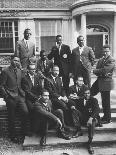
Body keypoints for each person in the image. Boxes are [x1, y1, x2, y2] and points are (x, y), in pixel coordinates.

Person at [0, 56, 29, 143]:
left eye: (18, 60)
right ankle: (13, 136)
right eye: (15, 60)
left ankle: (23, 133)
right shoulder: (5, 71)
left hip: (20, 96)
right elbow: (1, 85)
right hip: (10, 97)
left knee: (25, 112)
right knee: (11, 116)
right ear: (11, 60)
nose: (16, 62)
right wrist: (6, 96)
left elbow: (24, 83)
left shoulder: (20, 71)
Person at [91, 45, 115, 124]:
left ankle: (107, 118)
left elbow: (105, 70)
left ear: (110, 51)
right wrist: (100, 72)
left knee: (106, 101)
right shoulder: (101, 60)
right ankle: (92, 112)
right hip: (100, 81)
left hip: (106, 83)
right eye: (104, 51)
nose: (105, 53)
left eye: (107, 51)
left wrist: (98, 71)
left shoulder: (111, 60)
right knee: (90, 93)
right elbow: (100, 71)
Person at [76, 88, 100, 154]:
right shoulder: (80, 100)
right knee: (74, 111)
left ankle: (90, 143)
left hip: (93, 118)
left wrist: (91, 118)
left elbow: (97, 110)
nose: (87, 95)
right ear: (83, 94)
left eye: (88, 93)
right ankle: (78, 130)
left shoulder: (94, 100)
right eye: (85, 93)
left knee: (92, 122)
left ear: (90, 93)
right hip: (84, 118)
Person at [21, 63, 41, 133]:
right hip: (29, 99)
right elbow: (27, 91)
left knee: (42, 109)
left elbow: (40, 88)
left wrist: (40, 96)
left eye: (34, 69)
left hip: (37, 98)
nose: (33, 71)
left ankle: (40, 128)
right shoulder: (25, 78)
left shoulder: (37, 77)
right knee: (32, 110)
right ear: (28, 70)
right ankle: (32, 129)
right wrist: (36, 98)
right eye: (32, 69)